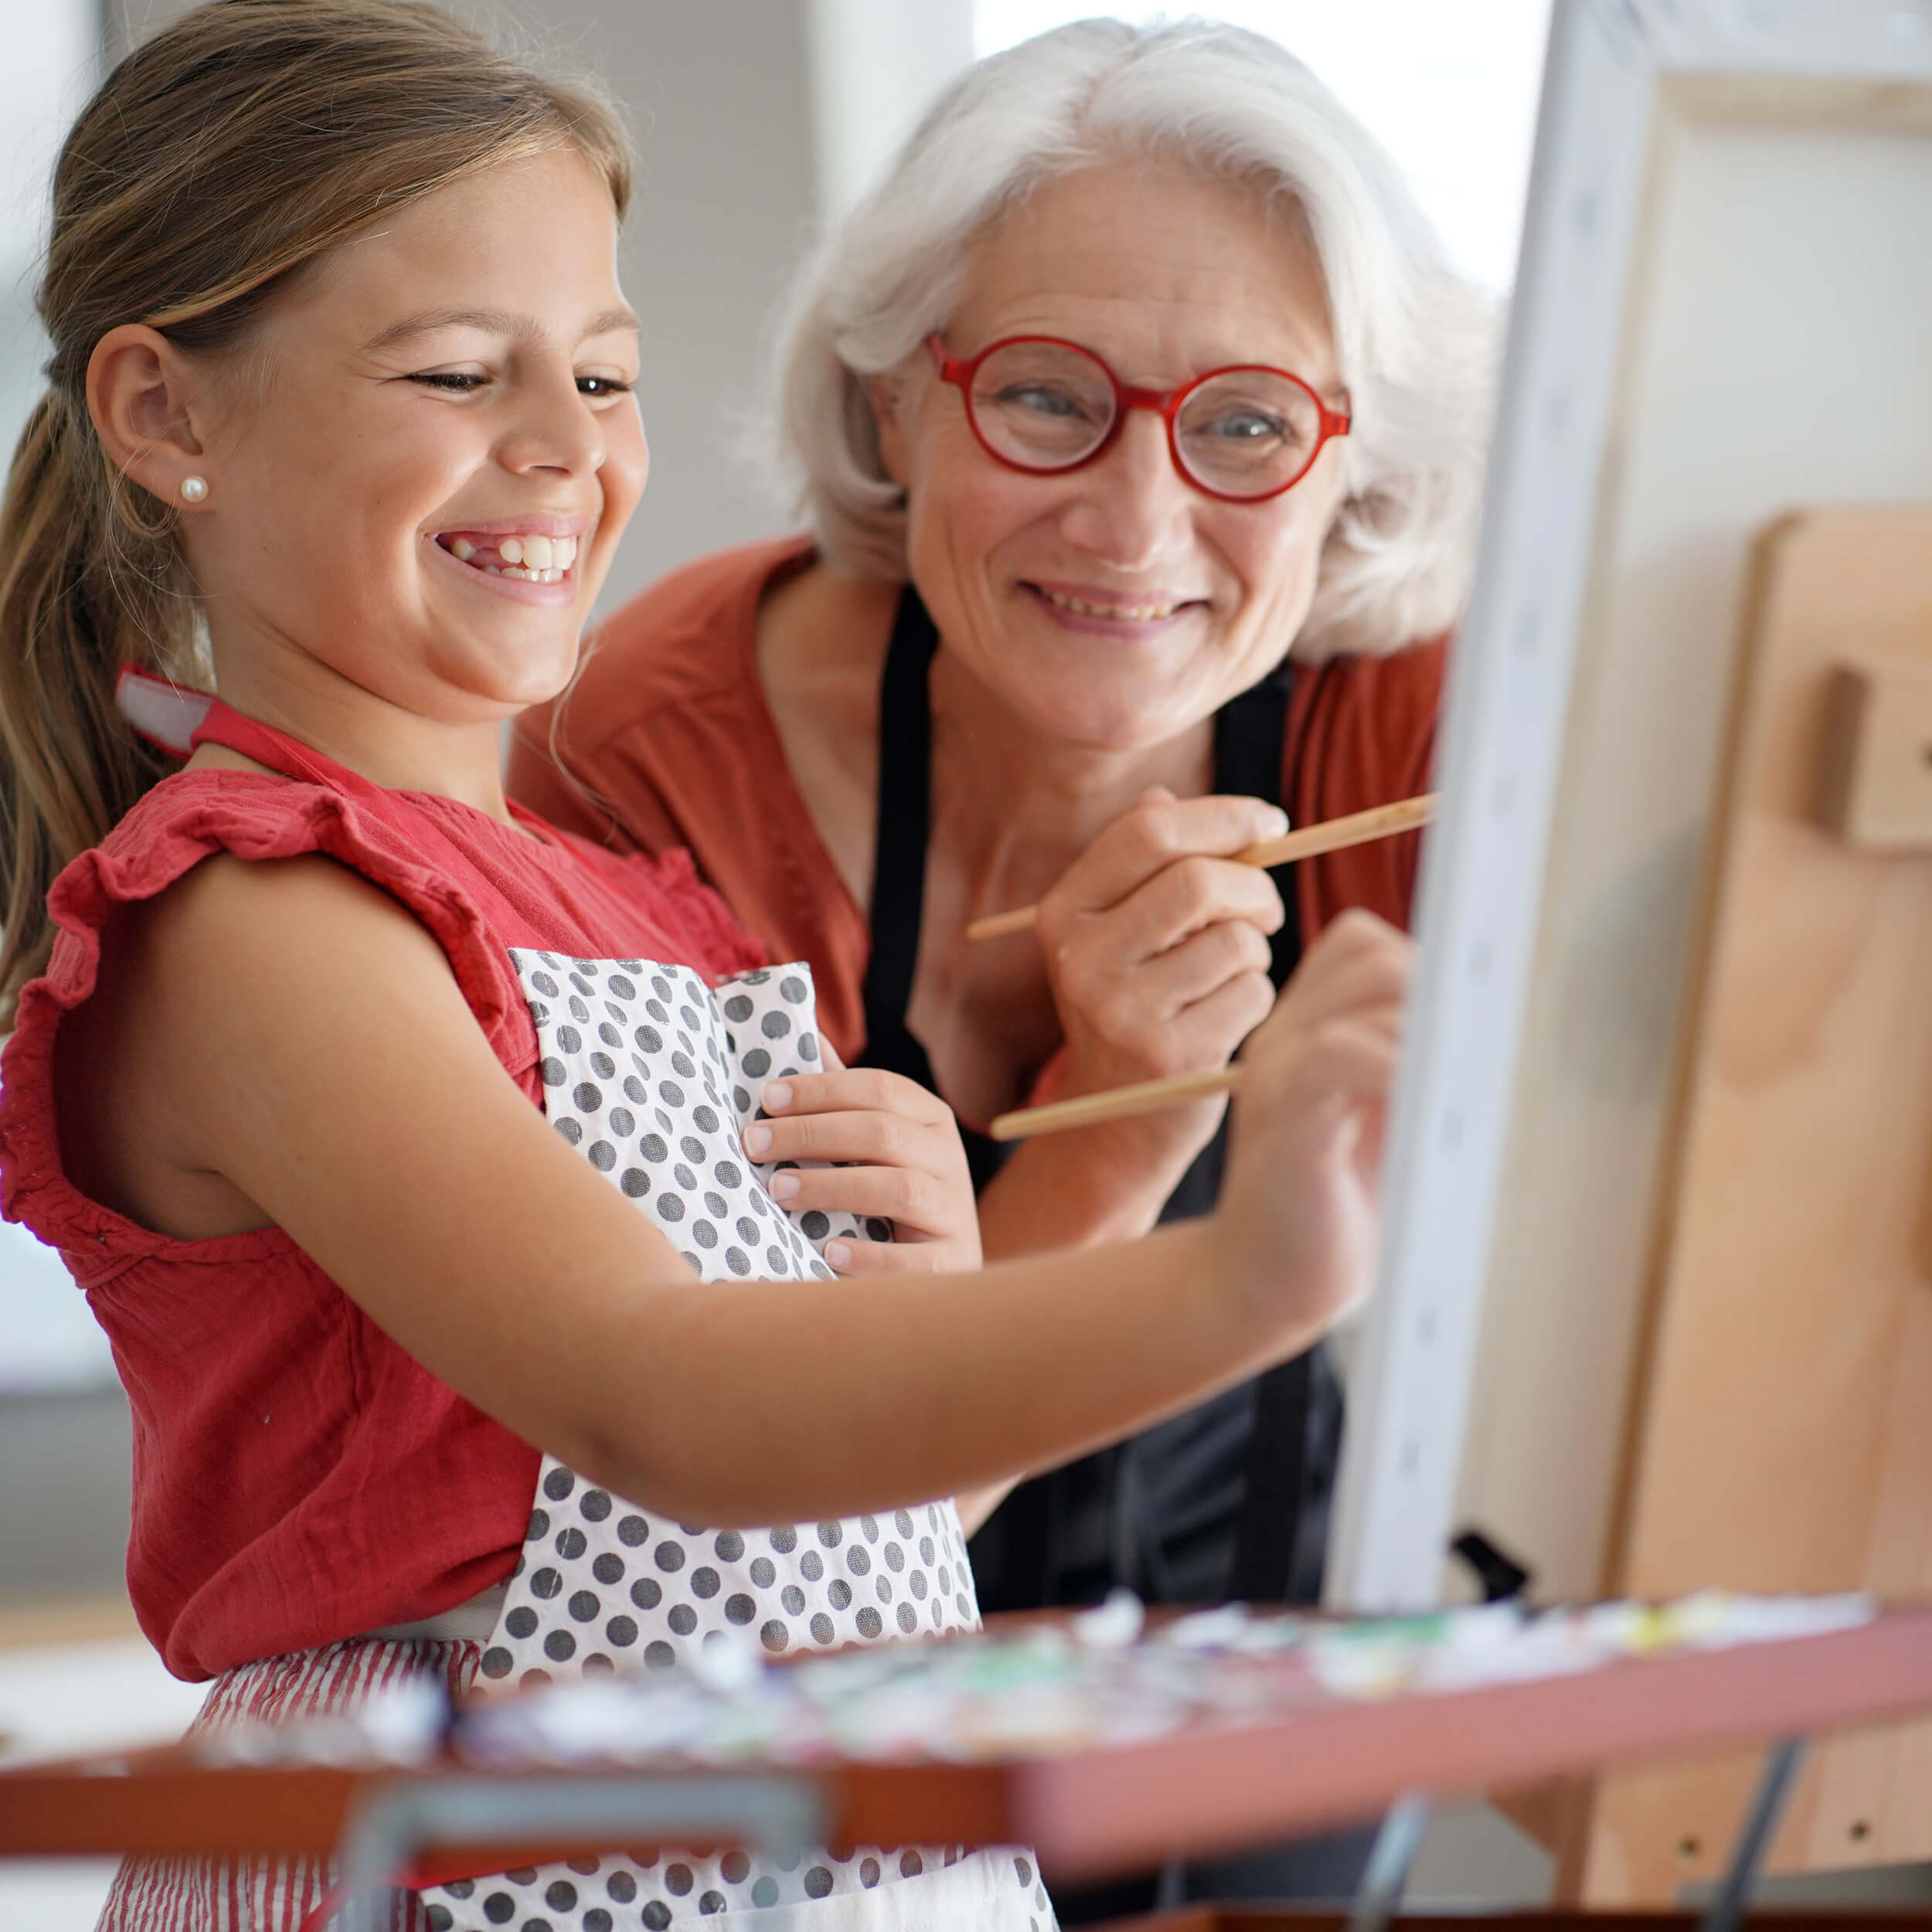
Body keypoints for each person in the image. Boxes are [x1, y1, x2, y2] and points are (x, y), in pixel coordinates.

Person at [0, 4, 1410, 1927]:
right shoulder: (260, 922)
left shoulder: (645, 911)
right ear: (165, 413)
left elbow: (851, 1522)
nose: (561, 451)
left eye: (601, 371)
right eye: (449, 371)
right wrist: (1256, 1274)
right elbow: (666, 1404)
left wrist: (1003, 1222)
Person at [509, 20, 1490, 1913]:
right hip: (824, 1741)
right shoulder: (649, 758)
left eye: (1245, 421)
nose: (1136, 522)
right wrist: (1120, 1128)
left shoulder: (1412, 715)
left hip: (1277, 1671)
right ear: (894, 405)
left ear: (1347, 448)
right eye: (1044, 397)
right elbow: (801, 1529)